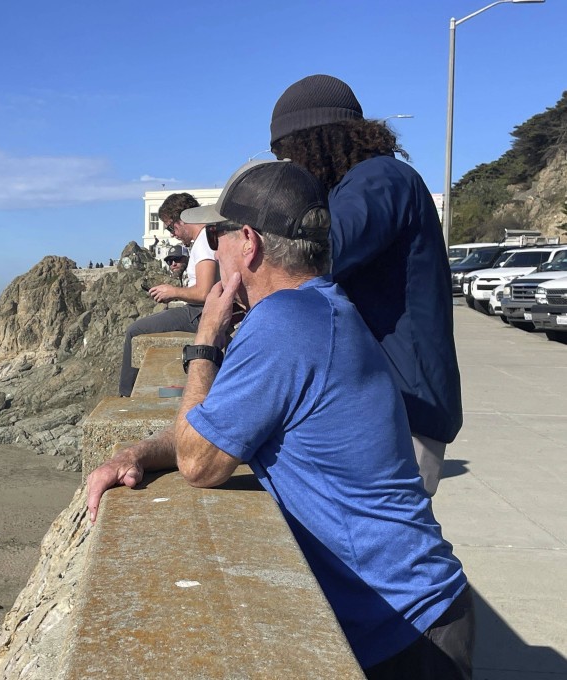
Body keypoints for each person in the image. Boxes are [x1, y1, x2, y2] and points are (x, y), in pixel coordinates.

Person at [87, 160, 473, 679]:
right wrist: (135, 453)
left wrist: (203, 346)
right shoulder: (321, 308)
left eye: (216, 233)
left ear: (247, 243)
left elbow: (200, 463)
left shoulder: (284, 323)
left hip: (405, 627)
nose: (209, 245)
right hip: (420, 609)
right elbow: (216, 427)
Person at [269, 74, 462, 496]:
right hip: (392, 402)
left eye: (288, 153)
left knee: (387, 550)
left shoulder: (379, 179)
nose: (290, 168)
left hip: (408, 408)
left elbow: (323, 251)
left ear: (313, 141)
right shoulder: (362, 184)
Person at [118, 193, 218, 397]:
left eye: (171, 227)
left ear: (183, 219)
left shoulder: (204, 242)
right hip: (199, 311)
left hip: (199, 314)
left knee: (135, 331)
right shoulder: (207, 238)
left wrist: (172, 292)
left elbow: (205, 292)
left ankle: (126, 396)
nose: (172, 234)